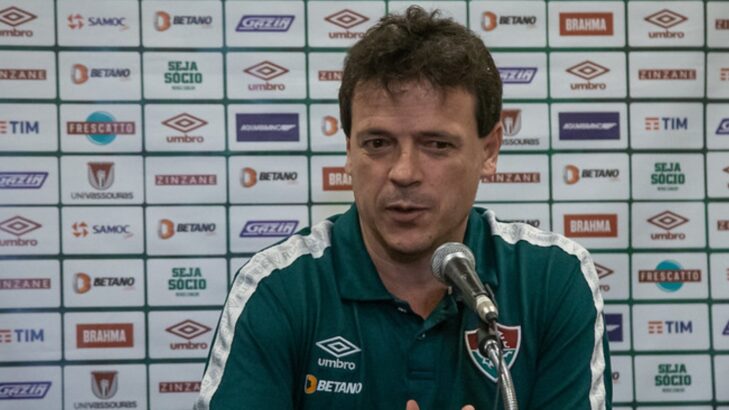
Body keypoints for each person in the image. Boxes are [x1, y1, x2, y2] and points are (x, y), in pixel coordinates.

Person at [196, 6, 611, 410]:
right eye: (377, 143)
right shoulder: (281, 286)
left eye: (437, 145)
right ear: (349, 151)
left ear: (489, 150)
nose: (404, 172)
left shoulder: (552, 278)